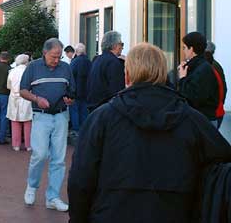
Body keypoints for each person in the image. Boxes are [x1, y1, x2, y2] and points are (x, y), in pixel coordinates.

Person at [68, 43, 231, 223]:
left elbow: (80, 178)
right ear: (163, 73)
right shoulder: (192, 119)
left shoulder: (102, 118)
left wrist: (78, 218)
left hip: (111, 213)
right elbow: (221, 163)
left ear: (127, 75)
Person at [20, 38, 75, 212]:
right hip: (41, 116)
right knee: (40, 154)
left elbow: (72, 91)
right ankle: (32, 186)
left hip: (61, 116)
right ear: (45, 53)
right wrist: (37, 99)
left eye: (59, 56)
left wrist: (70, 99)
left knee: (59, 159)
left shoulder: (66, 68)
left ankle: (53, 197)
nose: (57, 60)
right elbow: (22, 90)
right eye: (54, 56)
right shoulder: (33, 67)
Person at [178, 32, 219, 128]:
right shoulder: (198, 66)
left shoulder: (203, 69)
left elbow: (194, 98)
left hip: (203, 121)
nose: (183, 51)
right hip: (200, 119)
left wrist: (183, 78)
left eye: (184, 47)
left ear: (191, 49)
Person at [86, 31, 125, 111]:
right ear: (115, 45)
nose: (122, 47)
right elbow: (117, 90)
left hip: (94, 108)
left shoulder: (96, 60)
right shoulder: (114, 62)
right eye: (121, 44)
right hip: (107, 110)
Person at [7, 54, 33, 151]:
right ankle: (28, 145)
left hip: (14, 97)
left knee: (15, 121)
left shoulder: (12, 71)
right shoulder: (29, 71)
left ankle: (16, 145)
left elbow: (8, 86)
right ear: (27, 61)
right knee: (28, 122)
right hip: (26, 97)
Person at [70, 43, 91, 134]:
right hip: (86, 91)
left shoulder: (74, 62)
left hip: (76, 91)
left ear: (76, 51)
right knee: (84, 111)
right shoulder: (89, 62)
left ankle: (76, 130)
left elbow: (70, 77)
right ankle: (85, 129)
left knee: (75, 111)